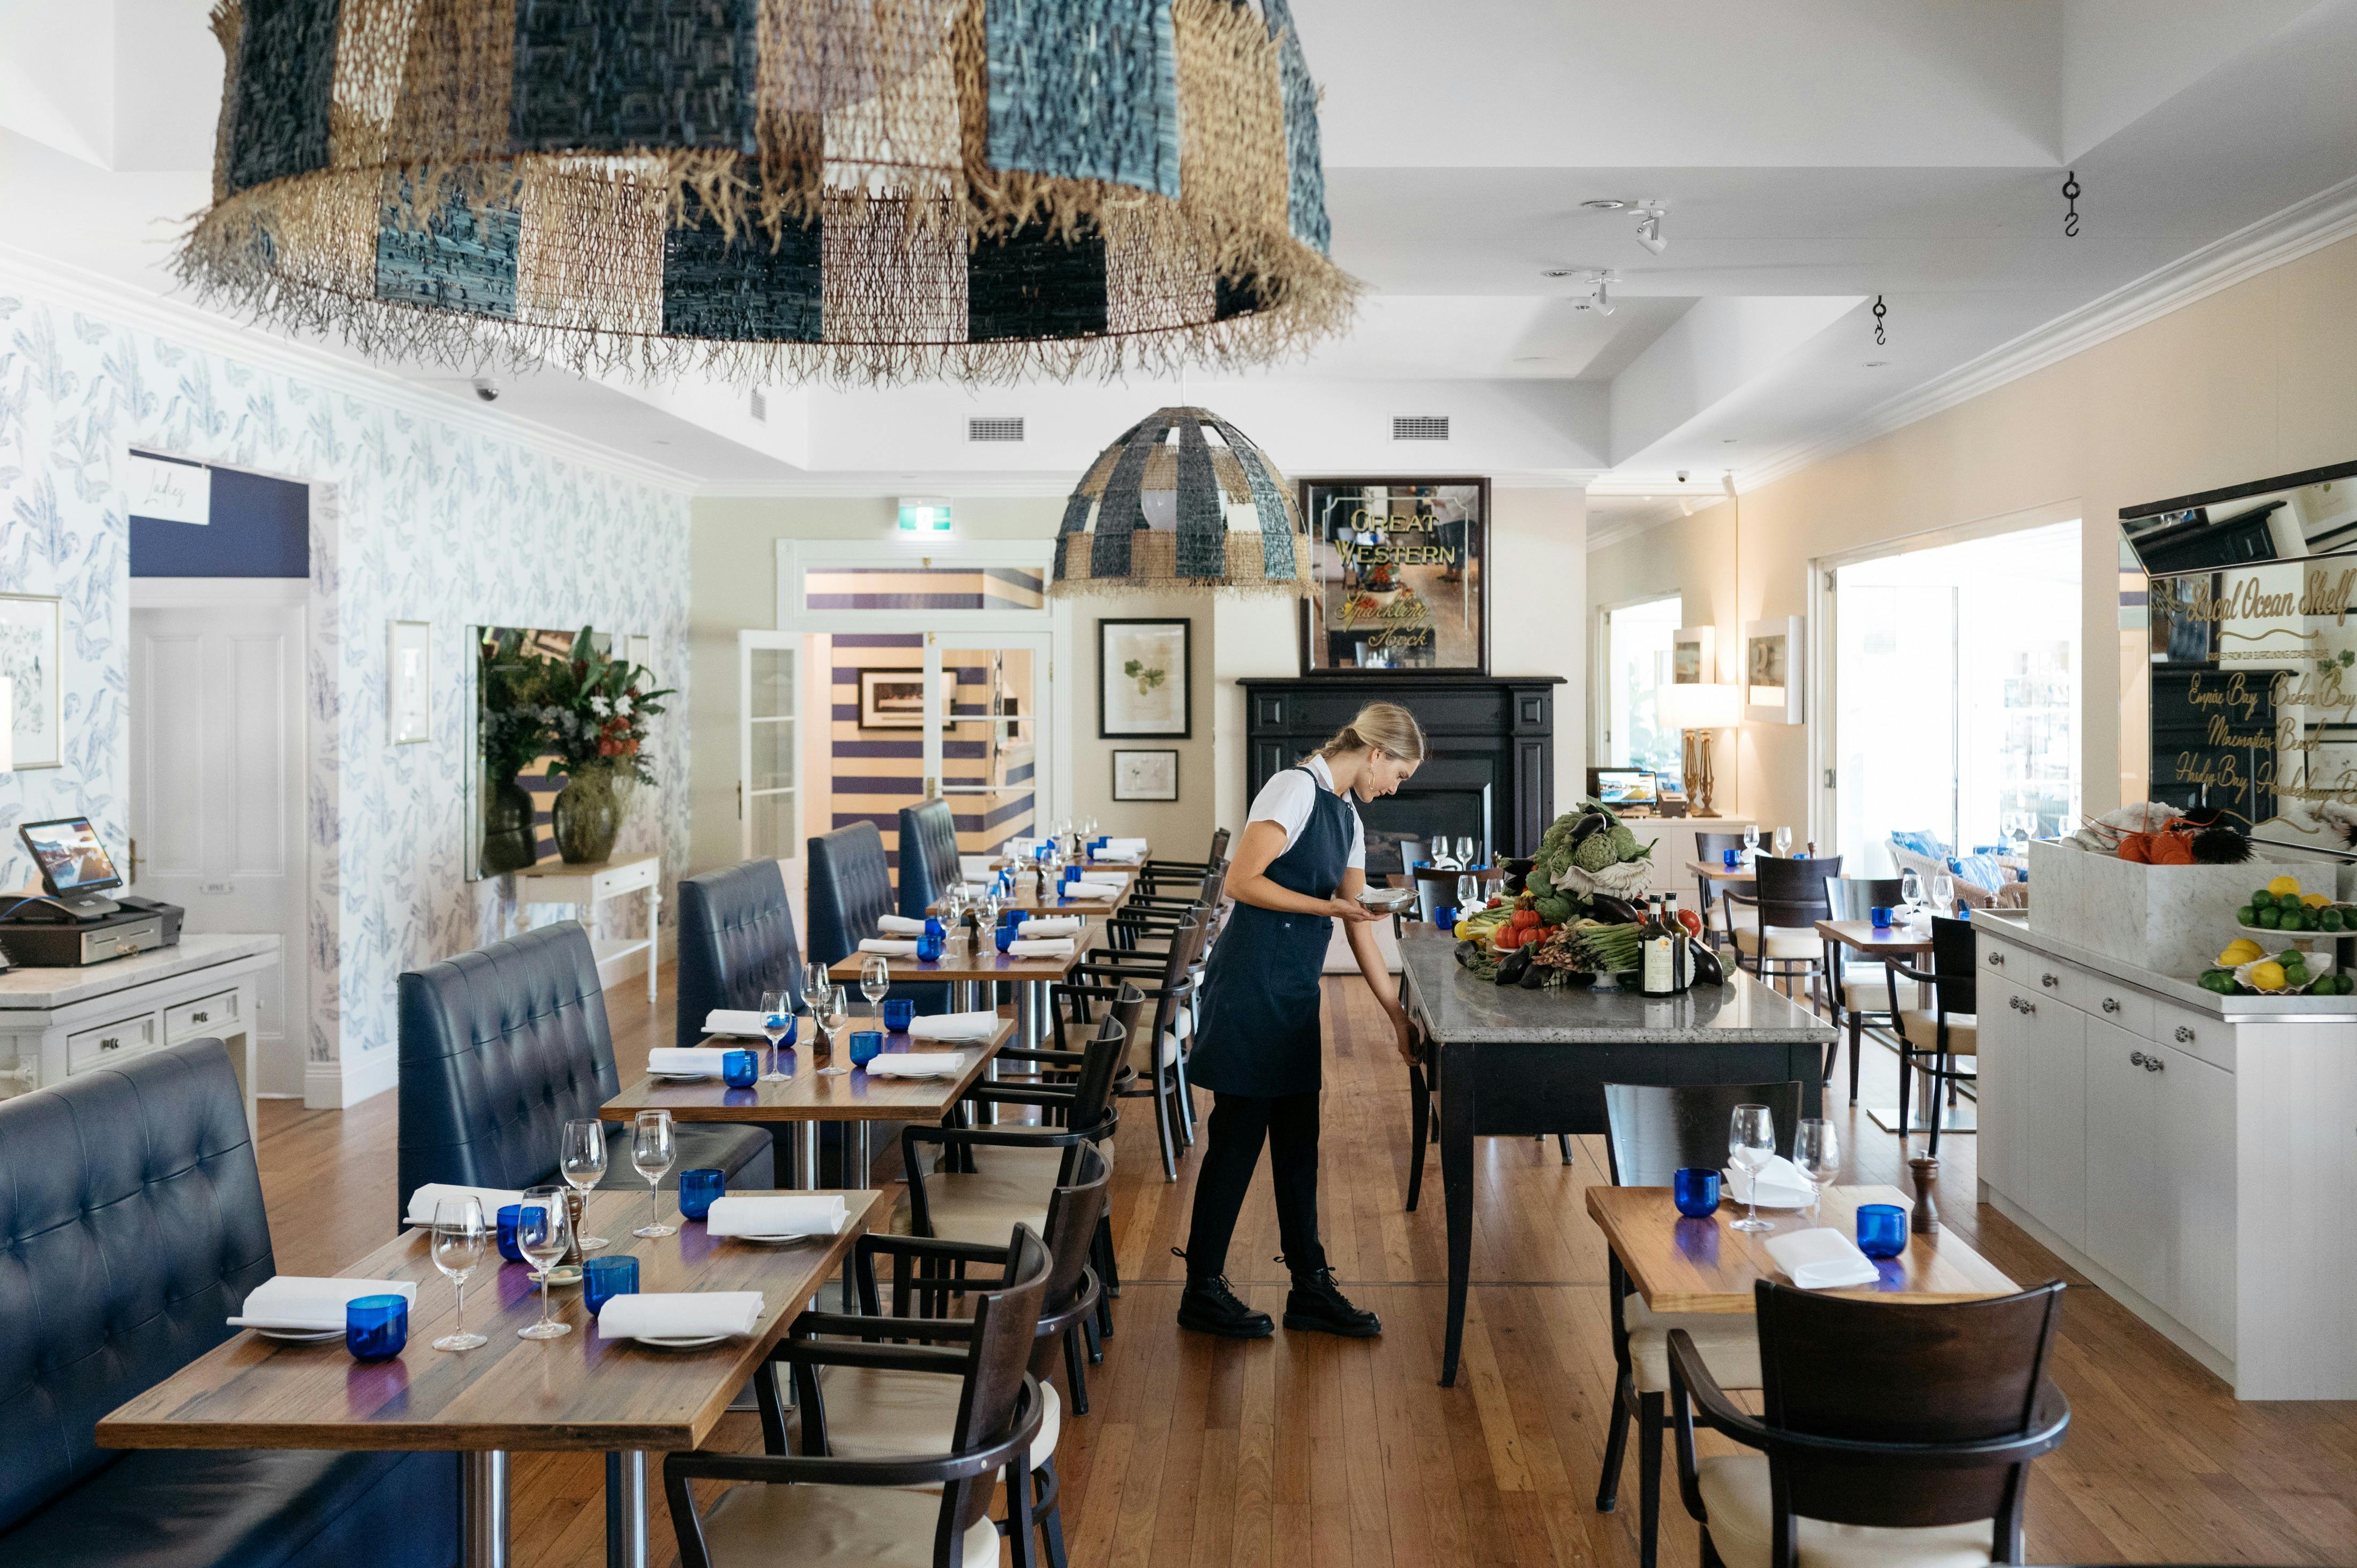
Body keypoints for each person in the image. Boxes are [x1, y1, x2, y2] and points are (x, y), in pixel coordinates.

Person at [1175, 700, 1423, 1339]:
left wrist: (1393, 1012)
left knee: (1296, 1142)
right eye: (1396, 773)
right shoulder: (1293, 789)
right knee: (1235, 1138)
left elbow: (1353, 913)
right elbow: (1240, 881)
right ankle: (1201, 1291)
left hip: (1289, 992)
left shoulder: (1344, 814)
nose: (1394, 787)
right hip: (1251, 983)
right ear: (1374, 753)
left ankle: (1308, 1288)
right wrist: (1327, 910)